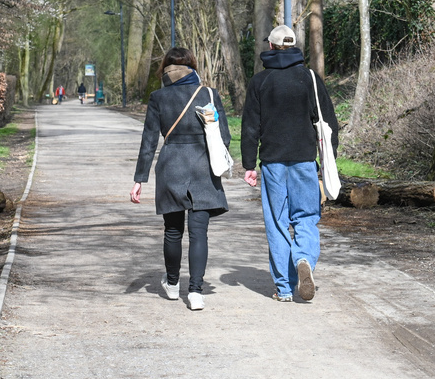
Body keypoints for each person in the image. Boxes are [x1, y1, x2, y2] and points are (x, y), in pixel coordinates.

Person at [241, 25, 339, 303]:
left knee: (278, 222)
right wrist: (329, 157)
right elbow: (328, 122)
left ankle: (284, 288)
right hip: (304, 160)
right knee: (306, 217)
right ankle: (304, 258)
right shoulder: (310, 78)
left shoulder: (259, 81)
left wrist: (249, 164)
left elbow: (250, 126)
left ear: (270, 47)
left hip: (272, 162)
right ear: (294, 47)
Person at [130, 47, 231, 311]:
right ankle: (196, 292)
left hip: (171, 165)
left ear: (165, 69)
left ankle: (173, 284)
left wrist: (140, 178)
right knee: (199, 233)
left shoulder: (158, 98)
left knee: (173, 231)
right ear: (192, 66)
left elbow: (149, 140)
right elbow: (224, 137)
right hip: (202, 167)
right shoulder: (209, 94)